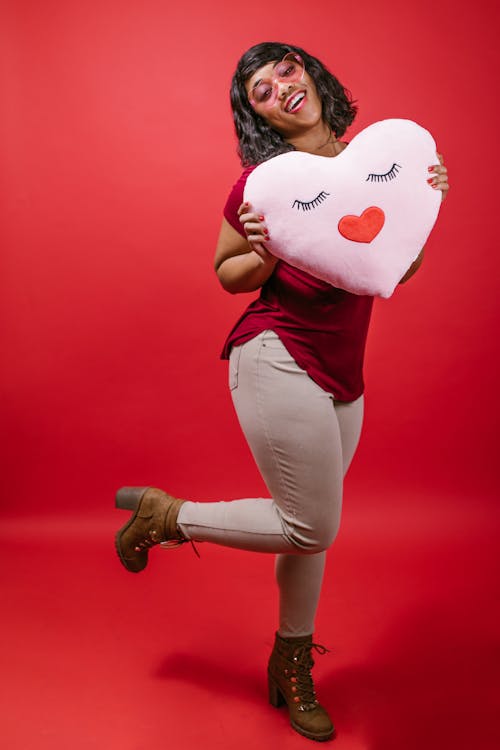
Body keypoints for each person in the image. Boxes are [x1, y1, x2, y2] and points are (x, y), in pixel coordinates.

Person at [115, 42, 449, 742]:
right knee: (313, 526)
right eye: (259, 89)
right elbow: (226, 272)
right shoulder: (262, 184)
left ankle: (290, 662)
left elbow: (390, 271)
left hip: (344, 371)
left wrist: (423, 202)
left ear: (313, 75)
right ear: (255, 114)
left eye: (285, 70)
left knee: (306, 538)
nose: (279, 88)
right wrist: (267, 249)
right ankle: (167, 516)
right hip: (275, 352)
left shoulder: (379, 162)